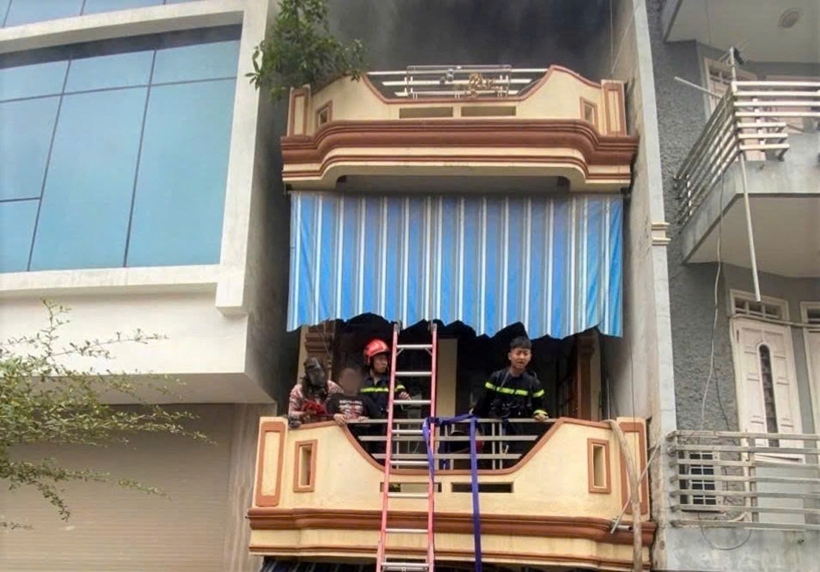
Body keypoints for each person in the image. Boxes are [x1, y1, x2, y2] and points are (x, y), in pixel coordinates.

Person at [471, 336, 549, 465]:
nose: (521, 357)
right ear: (510, 356)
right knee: (489, 464)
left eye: (525, 354)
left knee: (516, 464)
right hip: (493, 431)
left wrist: (539, 413)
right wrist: (475, 418)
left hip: (519, 434)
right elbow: (483, 403)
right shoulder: (496, 378)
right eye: (518, 353)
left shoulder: (533, 383)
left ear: (530, 357)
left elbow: (540, 406)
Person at [360, 339, 410, 417]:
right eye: (380, 359)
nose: (384, 363)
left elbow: (406, 404)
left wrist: (404, 399)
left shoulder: (394, 383)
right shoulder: (361, 383)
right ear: (370, 360)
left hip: (387, 423)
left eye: (385, 359)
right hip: (365, 423)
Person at [287, 357, 342, 427]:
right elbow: (291, 414)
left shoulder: (332, 387)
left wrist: (335, 415)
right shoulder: (298, 390)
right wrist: (305, 413)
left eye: (319, 371)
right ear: (307, 375)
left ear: (324, 371)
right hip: (307, 427)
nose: (317, 375)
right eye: (312, 372)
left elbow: (343, 407)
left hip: (329, 426)